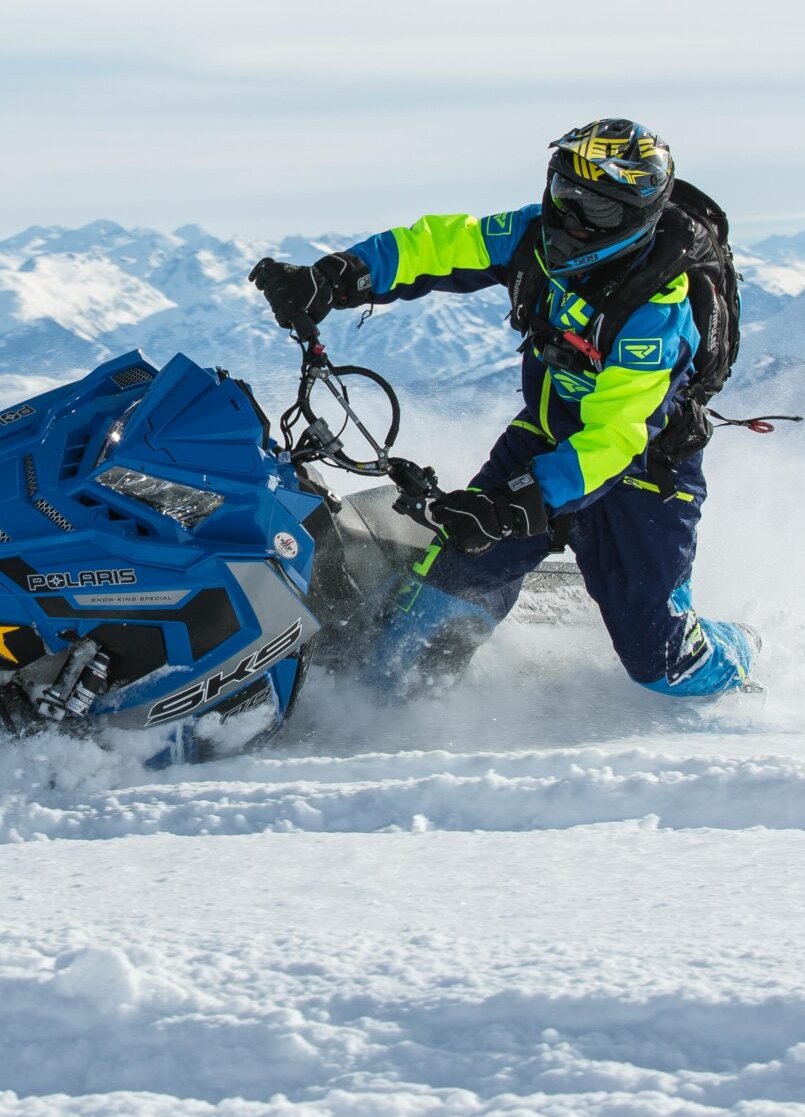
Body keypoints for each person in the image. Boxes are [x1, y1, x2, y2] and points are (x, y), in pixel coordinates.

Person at [249, 119, 757, 698]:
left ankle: (743, 652)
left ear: (639, 214)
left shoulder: (656, 310)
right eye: (567, 194)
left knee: (665, 665)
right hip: (541, 441)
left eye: (600, 210)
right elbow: (439, 244)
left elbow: (616, 437)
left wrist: (516, 506)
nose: (573, 218)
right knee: (405, 650)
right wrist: (335, 277)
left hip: (640, 477)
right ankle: (394, 726)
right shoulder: (532, 236)